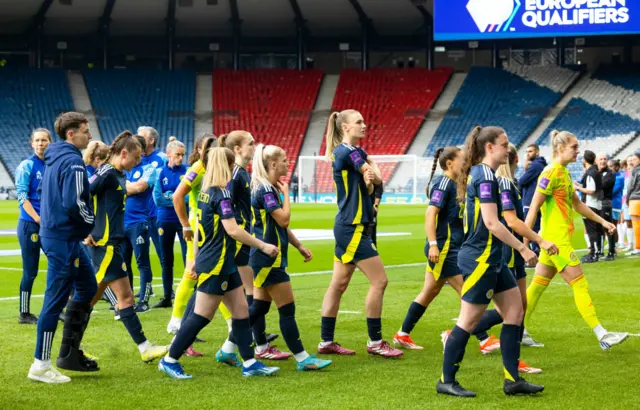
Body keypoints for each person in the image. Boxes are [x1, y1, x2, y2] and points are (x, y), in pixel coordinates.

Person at [436, 126, 543, 398]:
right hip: (480, 258)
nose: (508, 148)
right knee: (468, 321)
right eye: (504, 144)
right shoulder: (484, 176)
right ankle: (446, 380)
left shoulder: (488, 175)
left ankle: (512, 380)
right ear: (489, 148)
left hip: (493, 259)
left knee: (515, 313)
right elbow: (492, 222)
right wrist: (522, 248)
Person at [158, 147, 281, 379]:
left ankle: (250, 363)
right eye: (232, 164)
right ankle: (170, 359)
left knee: (241, 310)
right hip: (216, 262)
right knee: (201, 315)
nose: (235, 168)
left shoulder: (205, 191)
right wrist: (262, 245)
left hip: (221, 262)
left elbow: (197, 227)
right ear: (226, 165)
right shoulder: (221, 194)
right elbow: (233, 230)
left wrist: (194, 258)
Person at [393, 147, 506, 358]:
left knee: (430, 291)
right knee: (468, 291)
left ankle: (403, 333)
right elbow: (430, 214)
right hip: (444, 248)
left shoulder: (458, 184)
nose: (466, 163)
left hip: (453, 246)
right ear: (449, 164)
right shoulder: (444, 183)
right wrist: (434, 244)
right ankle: (482, 338)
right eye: (462, 160)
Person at [524, 130, 628, 351]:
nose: (578, 150)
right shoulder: (550, 173)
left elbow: (578, 205)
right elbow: (533, 208)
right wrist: (525, 244)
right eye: (574, 146)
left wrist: (603, 222)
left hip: (555, 241)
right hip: (555, 242)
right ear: (560, 148)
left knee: (537, 287)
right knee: (580, 284)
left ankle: (518, 329)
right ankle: (602, 334)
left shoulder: (564, 173)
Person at [319, 110, 402, 358]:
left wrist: (372, 177)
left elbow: (372, 182)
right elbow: (375, 178)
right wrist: (372, 171)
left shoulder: (348, 152)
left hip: (348, 225)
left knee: (338, 284)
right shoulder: (348, 151)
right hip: (352, 228)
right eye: (359, 122)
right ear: (345, 126)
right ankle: (375, 342)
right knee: (380, 281)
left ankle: (326, 341)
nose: (364, 125)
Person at [244, 144, 332, 370]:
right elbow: (283, 220)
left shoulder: (267, 188)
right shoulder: (266, 190)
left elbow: (280, 227)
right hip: (268, 260)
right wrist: (285, 194)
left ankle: (227, 348)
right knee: (287, 310)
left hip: (268, 258)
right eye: (284, 160)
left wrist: (299, 246)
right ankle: (303, 359)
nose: (287, 163)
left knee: (258, 310)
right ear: (273, 164)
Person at [84, 131, 168, 362]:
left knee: (90, 298)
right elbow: (79, 196)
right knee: (126, 298)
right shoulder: (106, 174)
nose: (139, 161)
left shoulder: (119, 175)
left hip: (113, 244)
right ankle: (144, 348)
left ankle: (71, 347)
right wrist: (86, 231)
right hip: (105, 245)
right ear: (124, 153)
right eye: (137, 157)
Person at [27, 112, 98, 383]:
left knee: (88, 288)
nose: (89, 136)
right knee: (54, 301)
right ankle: (40, 364)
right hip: (63, 238)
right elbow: (74, 202)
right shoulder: (73, 162)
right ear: (71, 134)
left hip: (60, 236)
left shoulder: (54, 158)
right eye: (85, 130)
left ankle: (69, 352)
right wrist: (91, 223)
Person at [16, 128, 51, 324]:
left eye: (44, 140)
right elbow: (22, 197)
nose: (40, 143)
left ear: (49, 143)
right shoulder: (27, 165)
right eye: (37, 140)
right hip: (31, 224)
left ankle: (56, 307)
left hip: (48, 225)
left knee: (59, 265)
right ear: (32, 143)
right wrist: (38, 218)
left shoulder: (52, 165)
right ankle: (24, 313)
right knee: (30, 271)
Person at [122, 133, 160, 312]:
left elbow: (139, 187)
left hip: (138, 222)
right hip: (121, 223)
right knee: (123, 263)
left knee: (142, 262)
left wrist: (124, 187)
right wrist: (128, 187)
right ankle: (126, 300)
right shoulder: (123, 168)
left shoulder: (149, 169)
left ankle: (144, 301)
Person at [152, 137, 188, 308]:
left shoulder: (188, 171)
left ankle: (192, 297)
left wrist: (173, 196)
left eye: (182, 155)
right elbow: (158, 198)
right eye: (177, 155)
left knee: (189, 258)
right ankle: (167, 296)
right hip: (164, 220)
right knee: (166, 260)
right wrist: (177, 198)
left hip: (184, 221)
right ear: (168, 155)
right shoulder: (159, 172)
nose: (180, 158)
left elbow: (189, 198)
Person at [137, 126, 168, 276]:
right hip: (140, 214)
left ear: (151, 140)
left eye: (141, 137)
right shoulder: (137, 159)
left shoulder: (162, 158)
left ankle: (168, 289)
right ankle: (145, 290)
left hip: (156, 213)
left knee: (162, 252)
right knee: (141, 254)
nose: (137, 139)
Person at [518, 144, 547, 255]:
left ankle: (535, 251)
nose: (528, 154)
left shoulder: (535, 166)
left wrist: (527, 170)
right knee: (537, 226)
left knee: (531, 227)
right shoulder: (541, 165)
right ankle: (539, 250)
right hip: (536, 199)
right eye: (527, 151)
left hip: (530, 200)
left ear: (537, 152)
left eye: (530, 151)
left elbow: (521, 181)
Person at [574, 150, 603, 262]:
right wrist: (580, 185)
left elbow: (591, 190)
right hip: (596, 204)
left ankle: (593, 254)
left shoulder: (591, 173)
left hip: (590, 204)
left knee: (592, 231)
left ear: (584, 160)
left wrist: (578, 188)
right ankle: (597, 252)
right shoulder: (595, 171)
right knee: (596, 230)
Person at [597, 153, 616, 261]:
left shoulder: (610, 173)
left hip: (605, 203)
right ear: (597, 161)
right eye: (601, 159)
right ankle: (599, 251)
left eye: (605, 159)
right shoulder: (597, 173)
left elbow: (602, 186)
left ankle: (611, 252)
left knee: (608, 227)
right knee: (598, 228)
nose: (603, 161)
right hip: (597, 203)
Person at [627, 150, 640, 255]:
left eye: (635, 159)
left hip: (635, 199)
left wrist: (627, 198)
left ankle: (638, 248)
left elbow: (630, 186)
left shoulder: (635, 170)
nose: (633, 162)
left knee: (636, 224)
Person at [610, 159, 624, 251]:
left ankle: (614, 247)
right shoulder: (612, 177)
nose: (609, 168)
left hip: (615, 204)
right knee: (610, 226)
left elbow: (612, 191)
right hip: (610, 204)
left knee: (613, 226)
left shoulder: (619, 178)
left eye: (610, 166)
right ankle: (613, 245)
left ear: (616, 167)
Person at [621, 157, 635, 252]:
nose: (630, 162)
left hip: (634, 200)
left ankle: (636, 245)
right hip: (625, 201)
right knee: (628, 223)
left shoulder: (636, 173)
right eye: (628, 161)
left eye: (632, 160)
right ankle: (630, 244)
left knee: (636, 223)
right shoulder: (624, 174)